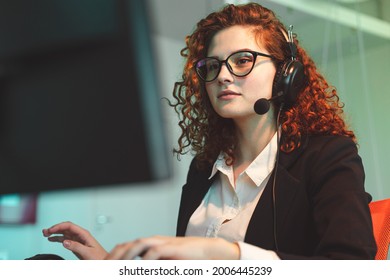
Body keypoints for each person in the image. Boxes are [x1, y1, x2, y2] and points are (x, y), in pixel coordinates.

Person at [42, 3, 377, 260]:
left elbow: (352, 266)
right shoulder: (203, 168)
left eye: (243, 60)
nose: (223, 76)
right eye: (212, 66)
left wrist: (228, 254)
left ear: (286, 73)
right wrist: (113, 268)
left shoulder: (327, 156)